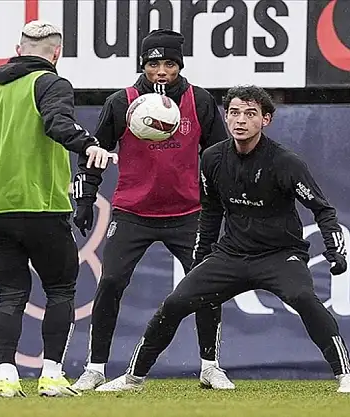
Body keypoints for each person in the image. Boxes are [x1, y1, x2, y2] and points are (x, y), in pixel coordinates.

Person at [94, 85, 350, 393]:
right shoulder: (212, 158)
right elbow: (210, 213)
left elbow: (323, 209)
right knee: (175, 303)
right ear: (226, 117)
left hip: (279, 256)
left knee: (304, 299)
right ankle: (133, 379)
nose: (241, 120)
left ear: (266, 120)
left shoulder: (286, 162)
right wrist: (201, 260)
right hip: (231, 255)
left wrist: (335, 250)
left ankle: (346, 375)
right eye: (234, 112)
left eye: (250, 114)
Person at [0, 20, 118, 398]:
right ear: (56, 53)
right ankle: (51, 376)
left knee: (10, 294)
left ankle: (5, 377)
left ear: (18, 49)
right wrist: (87, 144)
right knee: (60, 290)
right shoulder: (51, 83)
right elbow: (56, 123)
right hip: (43, 207)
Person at [71, 29, 234, 391]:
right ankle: (95, 368)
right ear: (142, 65)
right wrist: (85, 198)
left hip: (188, 213)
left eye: (170, 64)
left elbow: (221, 157)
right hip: (133, 212)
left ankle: (210, 366)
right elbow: (94, 153)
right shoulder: (121, 102)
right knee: (111, 282)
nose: (161, 71)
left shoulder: (199, 101)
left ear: (180, 65)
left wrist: (226, 203)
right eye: (154, 64)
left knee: (207, 286)